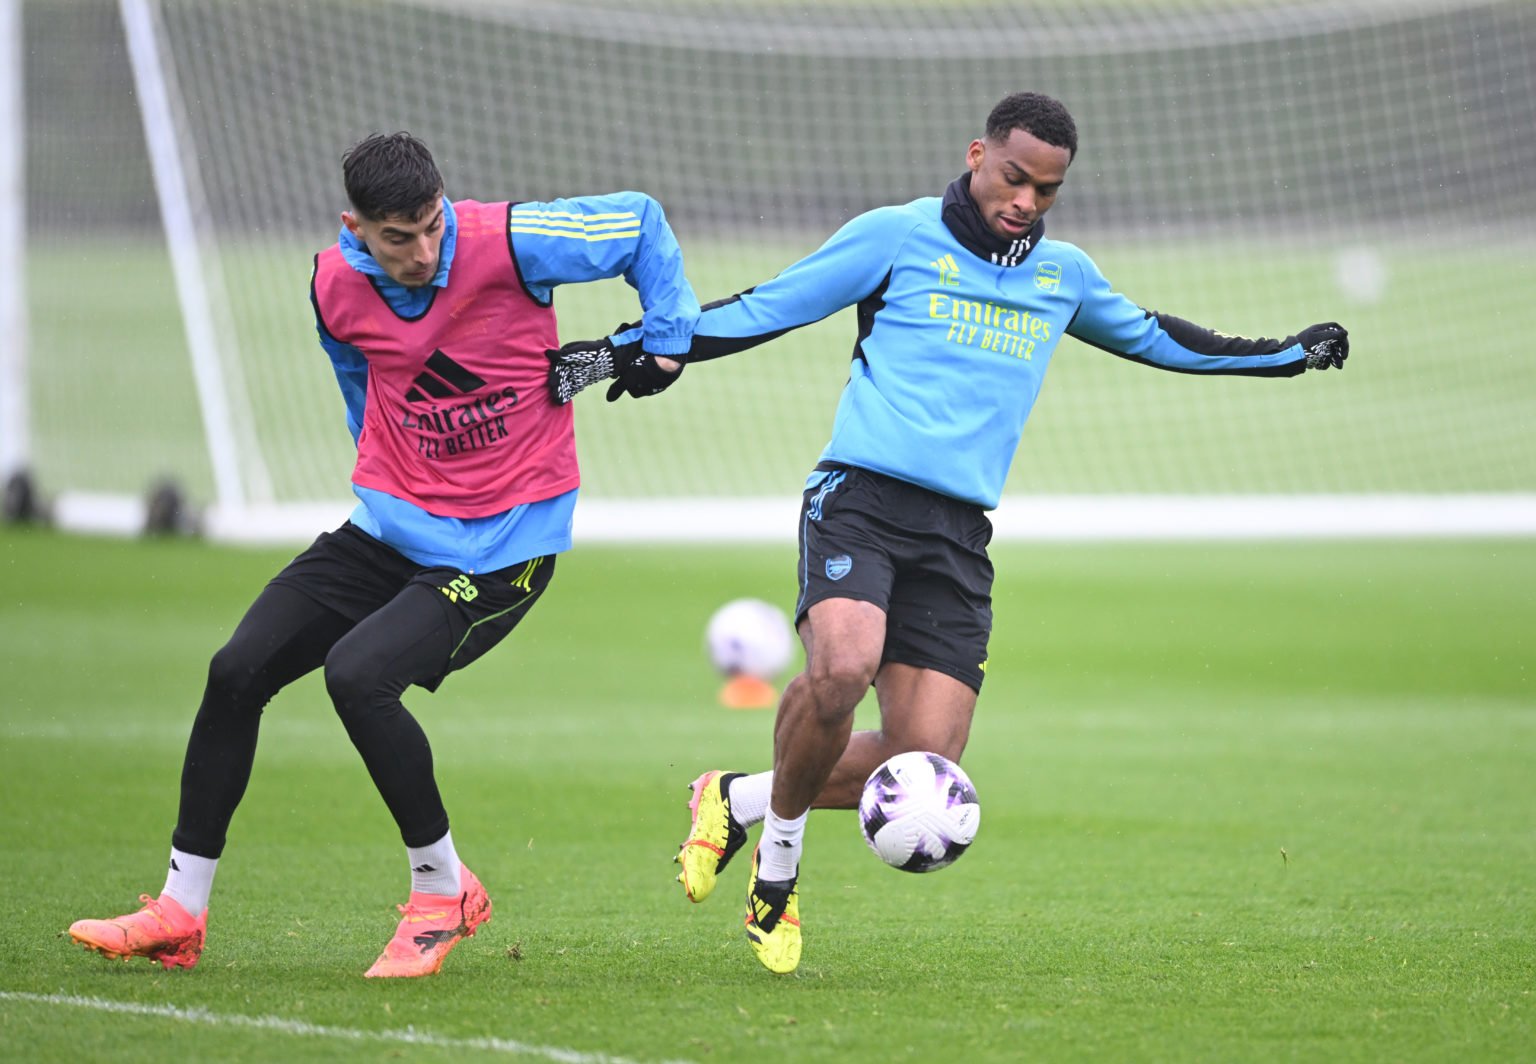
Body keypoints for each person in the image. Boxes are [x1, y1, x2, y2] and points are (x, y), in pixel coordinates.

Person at [547, 91, 1349, 975]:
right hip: (860, 498)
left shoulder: (1064, 276)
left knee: (925, 756)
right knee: (842, 666)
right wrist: (640, 346)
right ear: (978, 154)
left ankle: (732, 798)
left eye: (1047, 191)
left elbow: (1163, 338)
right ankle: (777, 870)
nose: (1026, 202)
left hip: (957, 534)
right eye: (1015, 178)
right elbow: (767, 306)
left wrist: (1287, 352)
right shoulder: (896, 237)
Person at [67, 132, 698, 978]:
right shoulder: (332, 285)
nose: (423, 253)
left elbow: (641, 224)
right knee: (236, 670)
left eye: (432, 227)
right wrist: (388, 464)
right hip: (391, 530)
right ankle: (180, 910)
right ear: (354, 227)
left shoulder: (511, 240)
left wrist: (665, 338)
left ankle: (444, 892)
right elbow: (357, 380)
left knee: (359, 676)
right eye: (398, 237)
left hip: (505, 546)